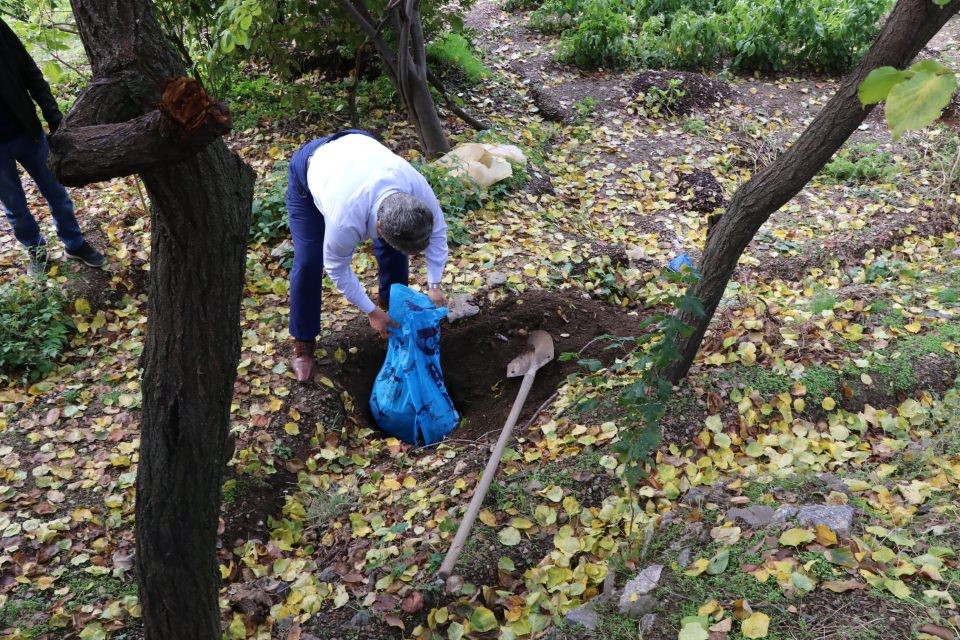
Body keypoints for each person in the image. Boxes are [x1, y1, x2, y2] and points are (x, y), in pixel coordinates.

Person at [287, 129, 449, 382]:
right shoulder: (345, 220)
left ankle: (391, 309)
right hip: (311, 171)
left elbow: (438, 230)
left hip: (361, 147)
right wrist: (370, 312)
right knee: (309, 261)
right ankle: (303, 343)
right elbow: (337, 268)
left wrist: (435, 284)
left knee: (394, 252)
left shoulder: (416, 188)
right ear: (379, 227)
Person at [0, 18, 105, 277]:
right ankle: (36, 252)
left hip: (27, 133)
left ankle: (75, 243)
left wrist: (54, 116)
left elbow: (29, 71)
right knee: (16, 208)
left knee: (56, 192)